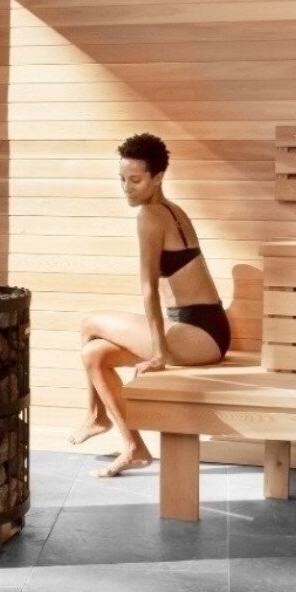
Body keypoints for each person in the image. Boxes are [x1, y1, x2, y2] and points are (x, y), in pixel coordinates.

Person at [72, 132, 232, 478]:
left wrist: (158, 355)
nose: (126, 187)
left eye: (135, 180)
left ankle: (96, 416)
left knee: (88, 323)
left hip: (197, 335)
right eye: (122, 179)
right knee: (94, 356)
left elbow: (149, 290)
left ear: (157, 178)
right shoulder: (174, 210)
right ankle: (133, 448)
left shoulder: (150, 216)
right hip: (210, 329)